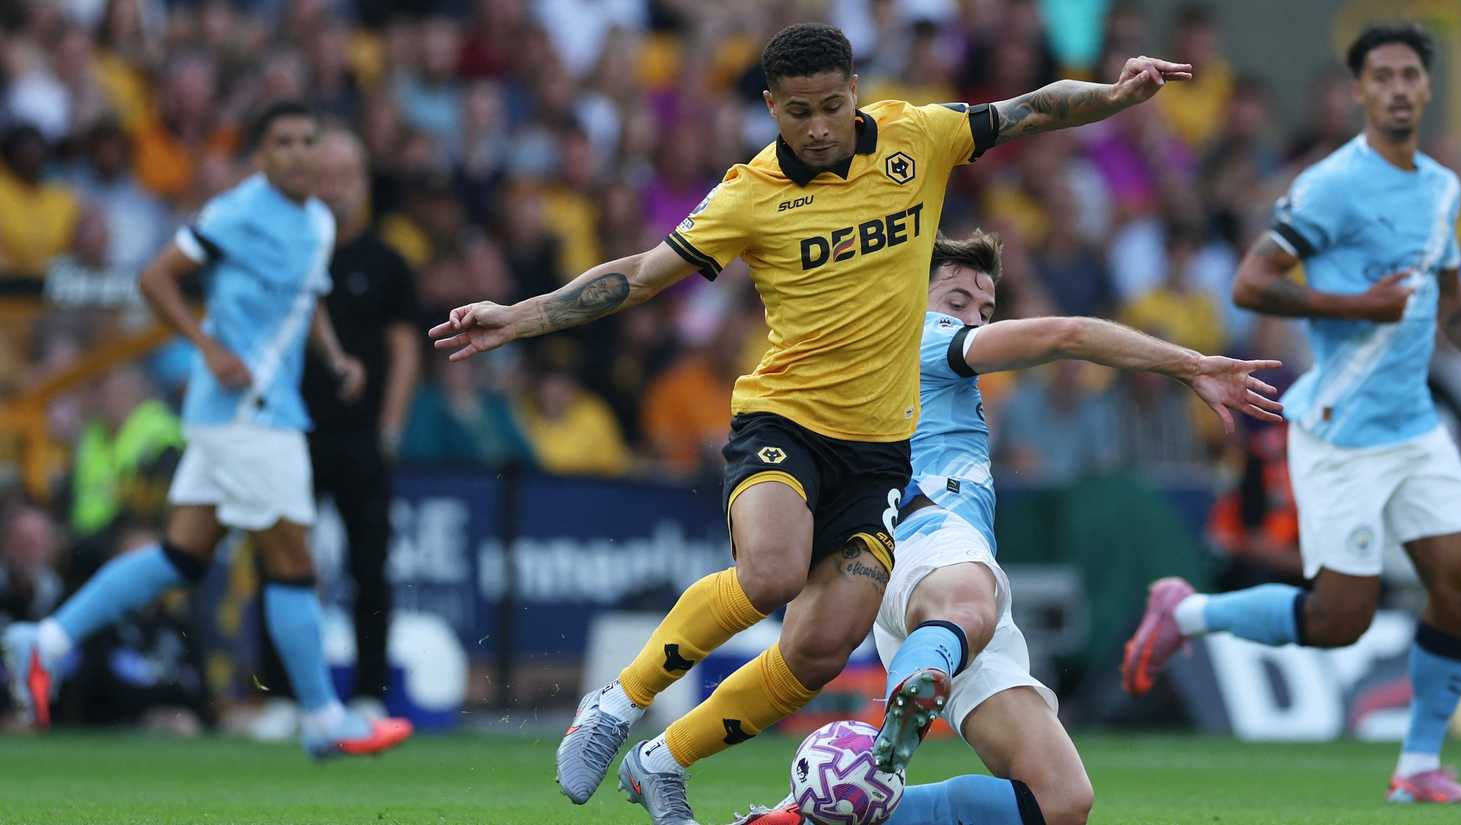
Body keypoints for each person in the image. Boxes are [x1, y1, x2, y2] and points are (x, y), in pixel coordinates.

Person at [429, 23, 1190, 825]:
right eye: (798, 112)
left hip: (877, 455)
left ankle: (663, 759)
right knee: (770, 572)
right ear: (770, 106)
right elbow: (644, 274)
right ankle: (616, 703)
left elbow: (1029, 109)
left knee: (818, 650)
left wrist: (1112, 96)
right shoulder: (749, 193)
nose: (819, 127)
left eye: (831, 105)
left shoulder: (917, 137)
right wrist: (521, 315)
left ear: (854, 90)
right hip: (784, 420)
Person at [1120, 24, 1461, 806]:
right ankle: (1189, 609)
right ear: (1359, 91)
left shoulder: (1441, 188)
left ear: (1427, 87)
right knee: (1342, 617)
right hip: (1341, 429)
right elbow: (1250, 283)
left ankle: (1419, 765)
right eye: (1383, 76)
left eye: (1410, 75)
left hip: (1415, 425)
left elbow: (1451, 296)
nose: (1398, 88)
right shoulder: (1332, 185)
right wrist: (1356, 305)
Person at [731, 231, 1281, 825]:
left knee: (1061, 800)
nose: (972, 318)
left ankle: (816, 815)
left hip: (943, 590)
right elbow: (1067, 334)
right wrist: (1192, 365)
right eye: (957, 300)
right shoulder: (919, 336)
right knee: (970, 601)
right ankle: (913, 688)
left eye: (985, 309)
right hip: (923, 536)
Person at [2, 101, 413, 759]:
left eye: (308, 139)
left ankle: (43, 641)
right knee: (294, 563)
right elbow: (154, 277)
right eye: (283, 141)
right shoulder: (239, 212)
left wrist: (335, 356)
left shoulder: (315, 221)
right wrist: (206, 346)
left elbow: (304, 299)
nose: (298, 152)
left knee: (180, 556)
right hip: (248, 412)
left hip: (252, 413)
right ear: (261, 157)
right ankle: (322, 718)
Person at [251, 127, 421, 736]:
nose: (334, 188)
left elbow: (405, 349)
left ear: (364, 183)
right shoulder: (292, 252)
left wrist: (391, 423)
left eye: (345, 176)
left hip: (359, 436)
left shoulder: (387, 262)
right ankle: (280, 696)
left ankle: (370, 693)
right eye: (324, 177)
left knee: (368, 566)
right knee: (281, 560)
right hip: (289, 428)